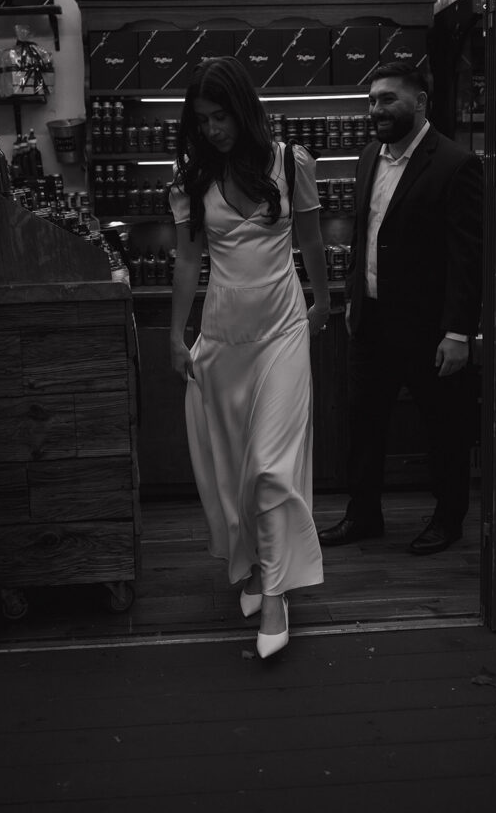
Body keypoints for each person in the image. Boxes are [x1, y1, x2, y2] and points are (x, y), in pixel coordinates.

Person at [169, 56, 329, 658]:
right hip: (222, 341)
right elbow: (188, 260)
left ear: (244, 109)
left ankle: (278, 595)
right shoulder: (190, 178)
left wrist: (323, 301)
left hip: (283, 332)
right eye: (202, 120)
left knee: (270, 467)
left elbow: (310, 238)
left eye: (221, 116)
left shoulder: (291, 162)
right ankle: (260, 567)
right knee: (239, 470)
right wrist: (175, 335)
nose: (212, 129)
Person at [318, 62, 483, 556]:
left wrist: (458, 332)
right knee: (363, 425)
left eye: (388, 99)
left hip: (429, 328)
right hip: (372, 320)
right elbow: (363, 230)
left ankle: (448, 519)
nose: (376, 109)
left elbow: (468, 257)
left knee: (443, 428)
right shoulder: (370, 155)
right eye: (372, 100)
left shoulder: (456, 163)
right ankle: (363, 515)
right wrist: (353, 296)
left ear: (420, 102)